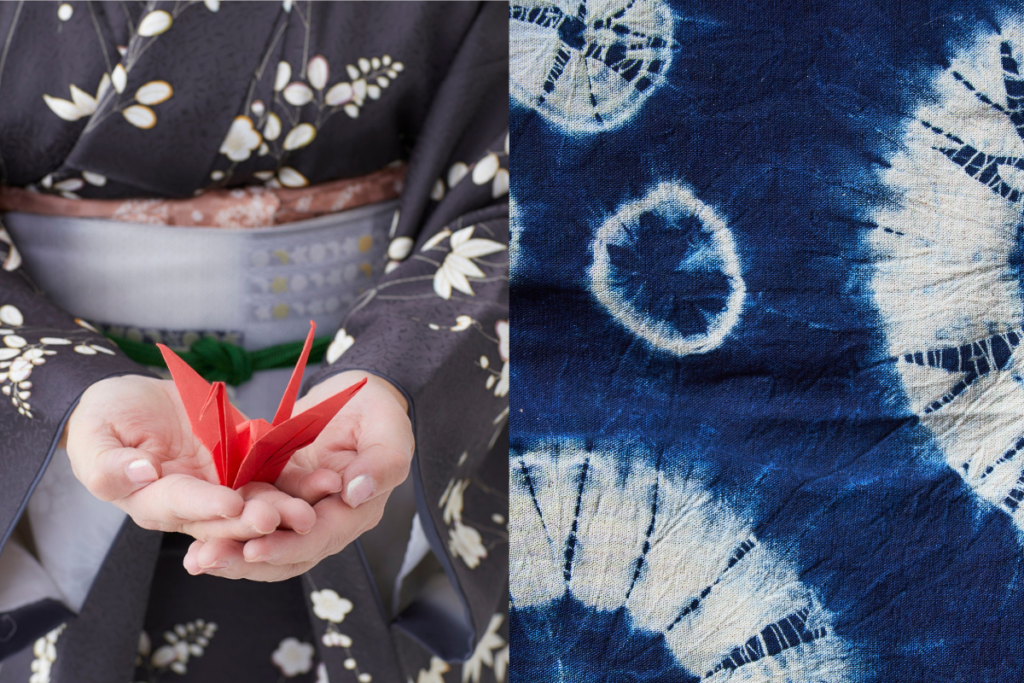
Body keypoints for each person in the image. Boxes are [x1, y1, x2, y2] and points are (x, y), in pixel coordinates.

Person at [0, 3, 508, 683]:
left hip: (368, 439)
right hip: (50, 449)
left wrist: (397, 372)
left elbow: (543, 176)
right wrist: (59, 386)